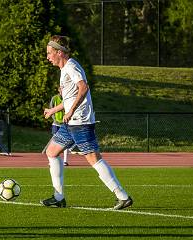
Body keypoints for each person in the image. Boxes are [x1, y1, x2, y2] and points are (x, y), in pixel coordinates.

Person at [42, 35, 133, 209]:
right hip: (71, 122)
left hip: (80, 122)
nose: (47, 57)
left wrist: (71, 111)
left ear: (59, 53)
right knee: (52, 152)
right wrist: (54, 110)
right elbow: (70, 97)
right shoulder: (64, 70)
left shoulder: (71, 66)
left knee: (93, 159)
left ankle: (122, 196)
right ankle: (58, 197)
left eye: (49, 53)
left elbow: (84, 87)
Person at [49, 87, 69, 166]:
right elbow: (51, 109)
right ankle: (52, 161)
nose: (62, 90)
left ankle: (65, 160)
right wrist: (54, 119)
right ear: (58, 89)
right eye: (61, 89)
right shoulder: (55, 98)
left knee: (66, 142)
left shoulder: (68, 98)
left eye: (64, 89)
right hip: (56, 123)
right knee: (55, 141)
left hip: (65, 123)